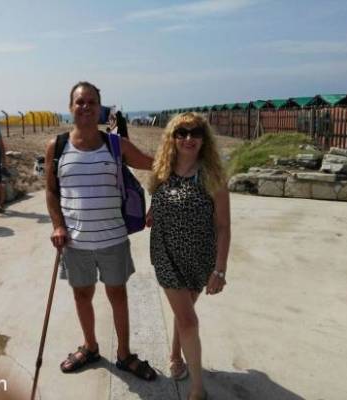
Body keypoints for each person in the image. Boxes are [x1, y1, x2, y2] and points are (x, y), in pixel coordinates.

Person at [45, 81, 157, 380]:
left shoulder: (116, 145)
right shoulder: (56, 147)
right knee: (82, 296)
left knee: (117, 295)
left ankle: (124, 355)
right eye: (80, 102)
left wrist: (159, 202)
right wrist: (57, 224)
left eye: (91, 102)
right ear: (71, 107)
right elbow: (52, 192)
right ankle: (90, 346)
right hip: (75, 242)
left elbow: (157, 167)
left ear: (100, 108)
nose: (85, 107)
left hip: (113, 239)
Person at [148, 112, 231, 400]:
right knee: (188, 321)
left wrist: (219, 270)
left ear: (203, 138)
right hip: (166, 255)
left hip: (200, 258)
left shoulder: (212, 177)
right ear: (172, 138)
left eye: (195, 132)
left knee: (184, 313)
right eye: (181, 133)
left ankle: (175, 355)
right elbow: (157, 200)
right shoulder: (162, 170)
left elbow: (223, 227)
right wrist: (151, 212)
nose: (188, 138)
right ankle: (198, 388)